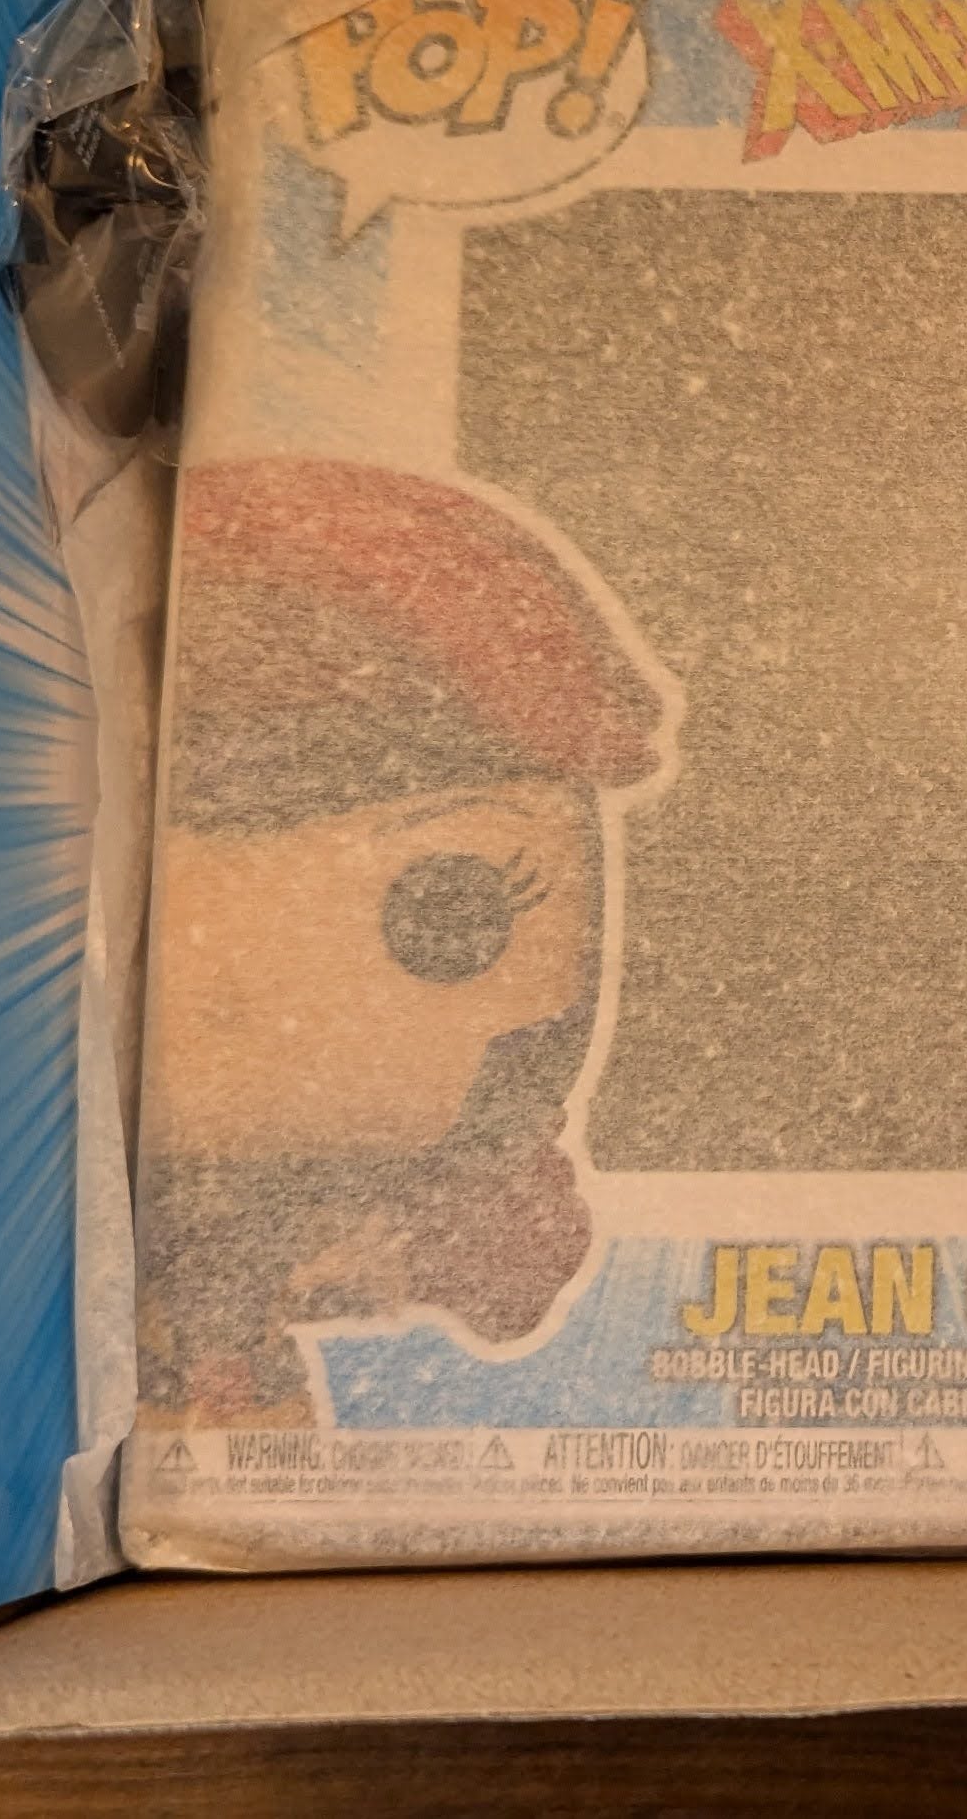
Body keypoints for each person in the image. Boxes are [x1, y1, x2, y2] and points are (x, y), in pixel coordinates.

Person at [133, 455, 675, 1426]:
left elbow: (507, 1270)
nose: (235, 995)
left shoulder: (422, 1185)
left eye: (451, 910)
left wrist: (406, 1240)